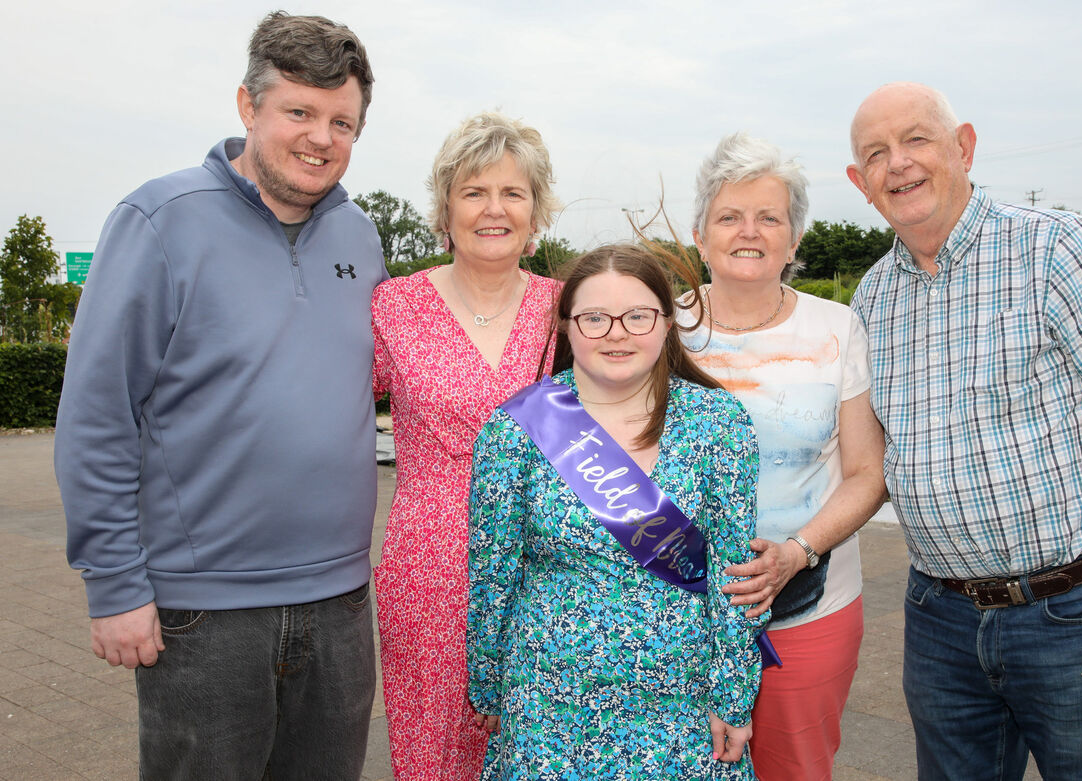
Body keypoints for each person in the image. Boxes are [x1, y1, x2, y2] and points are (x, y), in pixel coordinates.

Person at [54, 12, 385, 779]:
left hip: (339, 604)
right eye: (299, 111)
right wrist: (114, 586)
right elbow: (98, 415)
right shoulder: (158, 221)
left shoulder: (360, 238)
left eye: (342, 121)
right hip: (201, 615)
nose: (321, 137)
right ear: (247, 106)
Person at [846, 82, 1082, 780]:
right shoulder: (872, 295)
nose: (898, 164)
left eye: (916, 140)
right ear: (861, 183)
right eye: (876, 154)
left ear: (963, 146)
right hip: (940, 618)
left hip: (1073, 611)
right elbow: (867, 459)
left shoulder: (1060, 250)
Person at [466, 242, 767, 780]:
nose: (617, 333)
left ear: (668, 321)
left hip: (686, 701)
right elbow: (493, 571)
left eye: (637, 315)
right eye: (595, 318)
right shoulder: (516, 428)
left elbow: (732, 574)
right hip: (550, 704)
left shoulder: (720, 421)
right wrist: (488, 683)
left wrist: (734, 695)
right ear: (566, 326)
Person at [676, 132, 886, 780]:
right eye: (730, 216)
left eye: (769, 217)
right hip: (675, 616)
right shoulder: (658, 327)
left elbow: (866, 472)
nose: (749, 231)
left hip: (808, 608)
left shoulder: (837, 327)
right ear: (700, 231)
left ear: (793, 239)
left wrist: (797, 551)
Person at [371, 111, 563, 780]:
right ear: (444, 207)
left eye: (513, 193)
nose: (494, 209)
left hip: (548, 569)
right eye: (474, 191)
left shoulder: (572, 310)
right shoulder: (391, 306)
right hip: (427, 570)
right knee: (433, 750)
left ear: (536, 211)